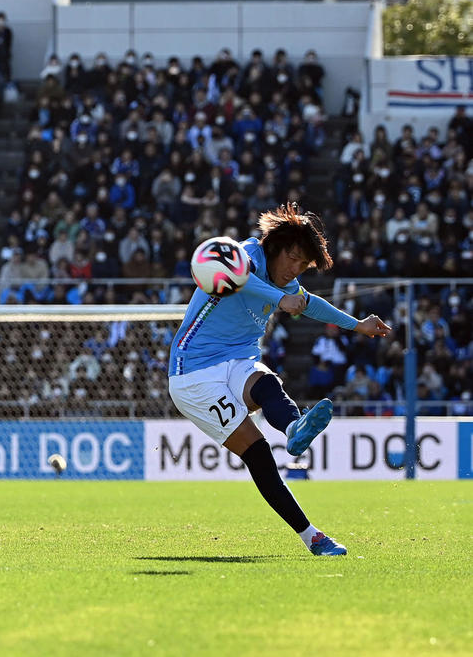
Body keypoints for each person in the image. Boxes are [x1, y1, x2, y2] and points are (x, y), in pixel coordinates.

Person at [167, 204, 391, 556]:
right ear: (275, 247)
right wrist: (280, 298)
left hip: (237, 359)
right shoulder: (245, 255)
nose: (295, 269)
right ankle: (312, 537)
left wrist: (357, 325)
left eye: (303, 265)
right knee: (258, 453)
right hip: (193, 373)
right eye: (293, 258)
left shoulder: (288, 284)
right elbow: (237, 274)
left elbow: (309, 302)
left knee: (268, 385)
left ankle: (293, 429)